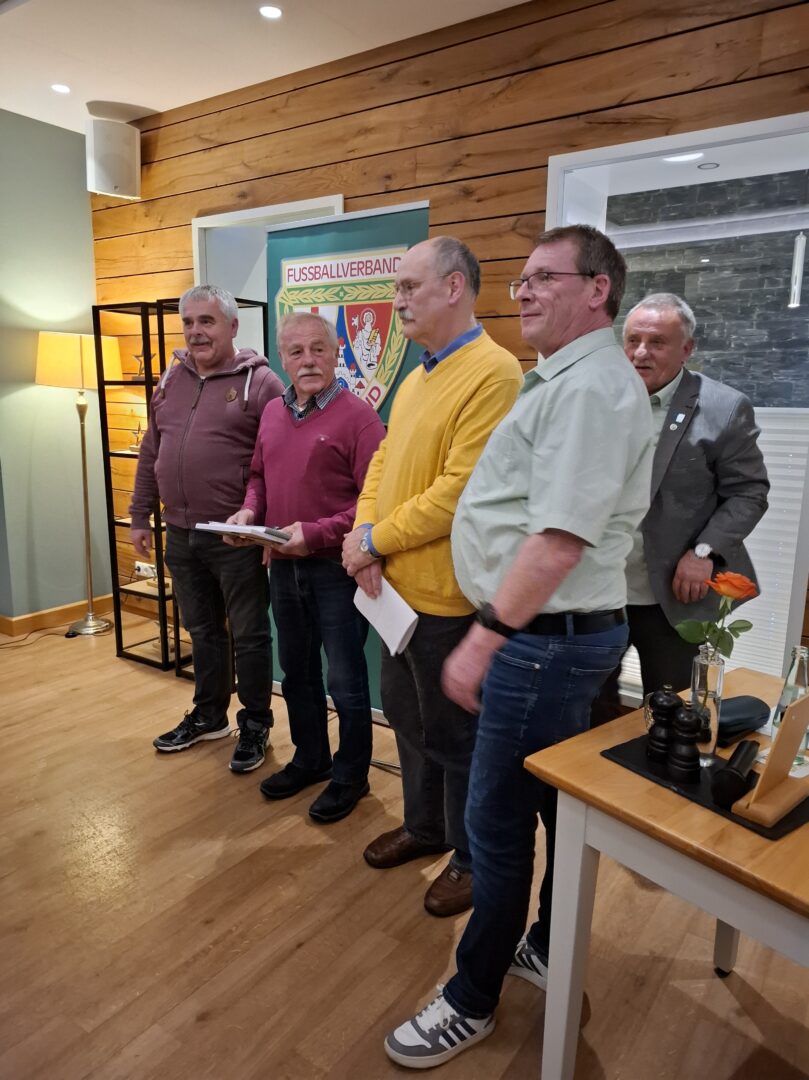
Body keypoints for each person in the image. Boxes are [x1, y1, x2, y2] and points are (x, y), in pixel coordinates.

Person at [383, 224, 655, 1068]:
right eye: (522, 278)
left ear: (597, 289)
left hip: (536, 641)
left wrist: (486, 636)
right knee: (547, 807)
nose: (524, 291)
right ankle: (541, 943)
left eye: (544, 277)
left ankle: (471, 998)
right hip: (544, 637)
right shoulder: (564, 379)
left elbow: (559, 538)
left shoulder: (590, 388)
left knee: (494, 823)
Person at [342, 236, 523, 917]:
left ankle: (472, 860)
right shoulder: (418, 376)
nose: (397, 301)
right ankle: (425, 827)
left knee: (457, 739)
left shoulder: (494, 373)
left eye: (408, 287)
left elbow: (458, 493)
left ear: (454, 287)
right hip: (391, 590)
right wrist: (363, 537)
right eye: (396, 288)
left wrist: (373, 540)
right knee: (407, 720)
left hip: (447, 599)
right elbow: (383, 464)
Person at [227, 312, 385, 823]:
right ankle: (312, 758)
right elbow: (259, 478)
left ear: (337, 351)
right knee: (296, 673)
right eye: (296, 352)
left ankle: (351, 775)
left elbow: (374, 503)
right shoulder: (273, 413)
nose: (308, 360)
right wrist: (250, 513)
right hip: (282, 567)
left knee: (346, 680)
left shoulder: (360, 418)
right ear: (282, 358)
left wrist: (314, 534)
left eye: (318, 349)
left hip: (336, 571)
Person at [591, 292, 769, 723]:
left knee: (670, 714)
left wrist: (703, 551)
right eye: (633, 340)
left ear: (686, 349)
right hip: (599, 591)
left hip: (671, 597)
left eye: (657, 342)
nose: (640, 353)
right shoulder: (598, 398)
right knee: (588, 709)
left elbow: (749, 493)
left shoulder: (723, 409)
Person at [130, 285, 284, 772]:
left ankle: (255, 722)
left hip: (235, 537)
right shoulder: (170, 380)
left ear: (232, 326)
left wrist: (268, 531)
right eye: (189, 322)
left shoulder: (261, 383)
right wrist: (140, 514)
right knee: (202, 630)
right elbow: (152, 450)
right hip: (180, 532)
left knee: (250, 634)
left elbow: (277, 462)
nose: (195, 331)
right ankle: (209, 715)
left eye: (207, 321)